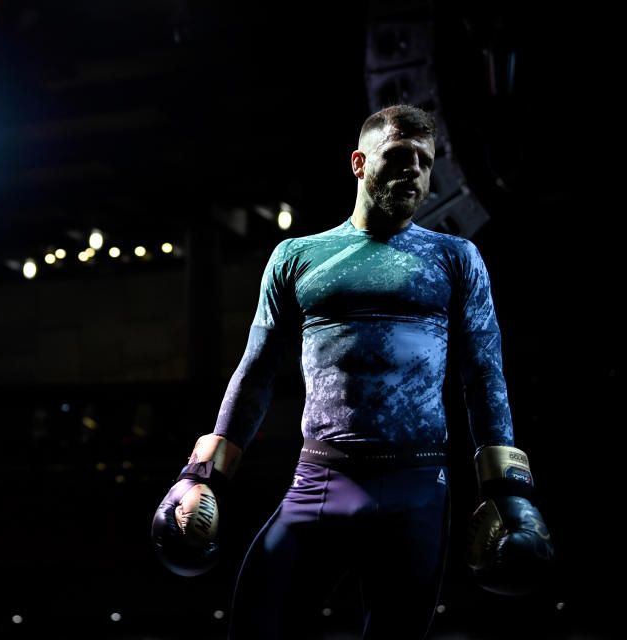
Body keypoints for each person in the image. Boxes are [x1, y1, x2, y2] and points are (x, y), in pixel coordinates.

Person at [151, 104, 554, 639]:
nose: (414, 168)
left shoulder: (457, 258)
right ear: (360, 163)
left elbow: (484, 374)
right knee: (254, 628)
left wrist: (508, 489)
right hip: (321, 481)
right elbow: (256, 373)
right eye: (398, 155)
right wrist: (202, 475)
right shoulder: (297, 255)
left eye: (424, 160)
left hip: (417, 487)